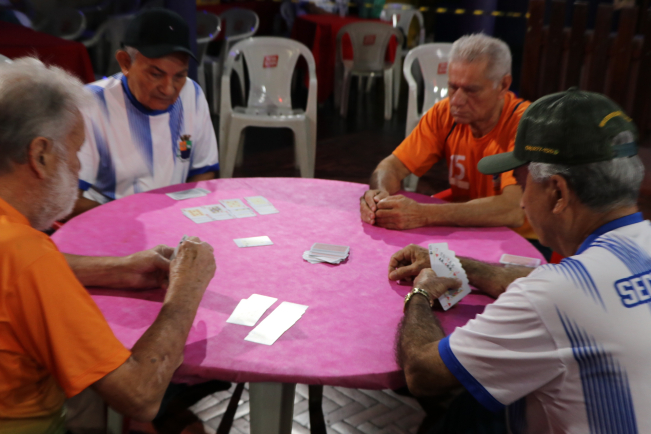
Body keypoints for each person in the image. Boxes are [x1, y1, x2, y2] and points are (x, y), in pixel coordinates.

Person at [394, 88, 650, 432]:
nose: (523, 202)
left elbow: (421, 373)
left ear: (558, 192)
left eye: (522, 182)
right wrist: (457, 264)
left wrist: (420, 295)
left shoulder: (552, 296)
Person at [0, 58, 217, 433]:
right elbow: (139, 396)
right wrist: (186, 289)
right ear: (40, 155)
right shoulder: (28, 256)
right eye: (75, 152)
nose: (77, 169)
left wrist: (117, 268)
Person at [360, 34, 536, 242]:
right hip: (467, 230)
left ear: (503, 85)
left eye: (471, 90)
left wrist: (423, 214)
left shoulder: (526, 125)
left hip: (524, 242)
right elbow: (392, 166)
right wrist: (379, 197)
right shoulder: (443, 114)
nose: (457, 101)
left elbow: (513, 210)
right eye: (452, 87)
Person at [71, 8, 219, 218]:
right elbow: (69, 199)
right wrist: (131, 218)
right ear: (125, 63)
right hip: (110, 224)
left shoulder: (192, 93)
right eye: (156, 74)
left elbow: (204, 171)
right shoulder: (90, 104)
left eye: (179, 76)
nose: (168, 89)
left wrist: (181, 215)